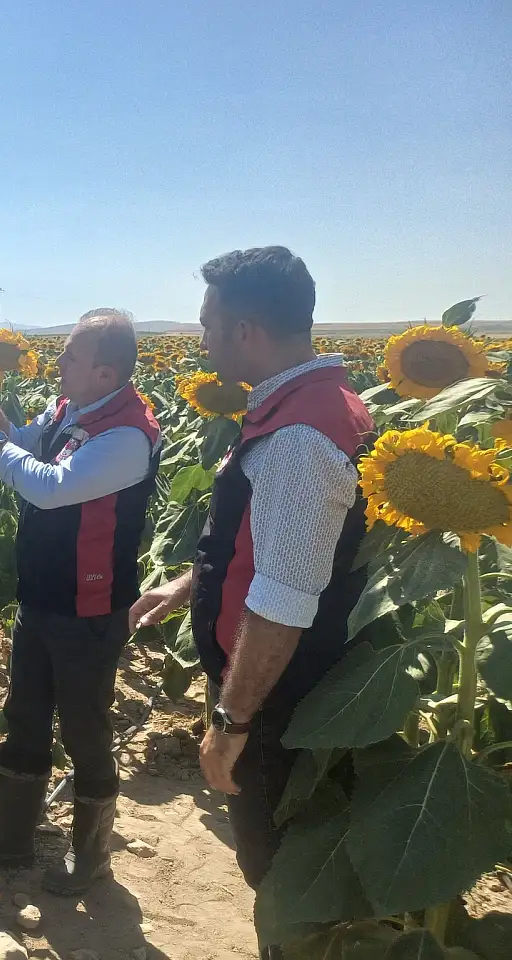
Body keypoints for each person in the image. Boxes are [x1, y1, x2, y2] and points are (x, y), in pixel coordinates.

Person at [129, 247, 374, 958]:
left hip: (279, 698)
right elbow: (283, 543)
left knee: (279, 870)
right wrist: (190, 586)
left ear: (244, 330)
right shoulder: (314, 403)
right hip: (290, 679)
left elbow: (284, 599)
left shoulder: (299, 437)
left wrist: (231, 722)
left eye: (208, 325)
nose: (200, 341)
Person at [0, 309, 163, 895]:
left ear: (104, 370)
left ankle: (91, 857)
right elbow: (27, 449)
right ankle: (10, 842)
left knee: (84, 727)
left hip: (89, 609)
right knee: (25, 714)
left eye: (69, 355)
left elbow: (49, 489)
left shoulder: (126, 436)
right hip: (42, 595)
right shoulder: (71, 410)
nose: (57, 362)